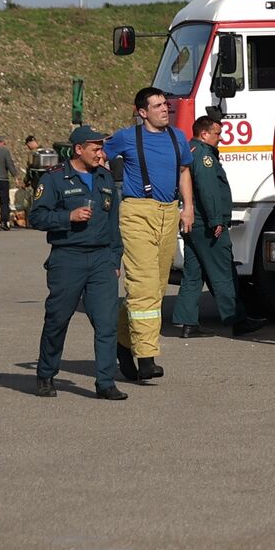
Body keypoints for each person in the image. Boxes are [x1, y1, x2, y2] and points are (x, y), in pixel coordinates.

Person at [29, 126, 128, 401]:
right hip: (67, 258)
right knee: (58, 319)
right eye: (95, 148)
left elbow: (113, 224)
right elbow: (36, 217)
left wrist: (115, 258)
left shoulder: (106, 178)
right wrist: (67, 217)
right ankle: (46, 373)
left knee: (107, 322)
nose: (101, 153)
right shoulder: (54, 179)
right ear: (78, 150)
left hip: (101, 260)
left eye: (101, 148)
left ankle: (105, 382)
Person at [104, 87, 195, 382]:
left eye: (165, 105)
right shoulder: (127, 137)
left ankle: (121, 343)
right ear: (142, 112)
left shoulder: (177, 137)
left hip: (168, 213)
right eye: (157, 106)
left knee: (155, 288)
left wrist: (188, 207)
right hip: (137, 212)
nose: (164, 109)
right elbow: (97, 157)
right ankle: (146, 358)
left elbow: (184, 171)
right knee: (142, 285)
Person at [171, 116, 267, 339]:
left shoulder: (191, 151)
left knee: (193, 273)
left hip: (194, 224)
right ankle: (237, 319)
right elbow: (209, 191)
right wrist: (216, 220)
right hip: (207, 224)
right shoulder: (204, 157)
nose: (220, 138)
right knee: (224, 272)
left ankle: (188, 322)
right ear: (204, 134)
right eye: (217, 133)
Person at [0, 136, 18, 230]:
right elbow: (9, 163)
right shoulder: (5, 151)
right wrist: (15, 175)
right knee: (4, 202)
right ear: (0, 142)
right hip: (3, 179)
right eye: (4, 143)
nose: (4, 145)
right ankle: (4, 222)